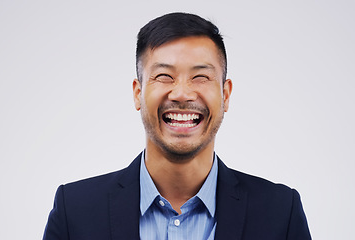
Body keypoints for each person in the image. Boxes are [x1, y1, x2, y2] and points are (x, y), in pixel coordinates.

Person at [43, 12, 311, 240]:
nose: (182, 94)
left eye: (200, 77)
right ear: (138, 93)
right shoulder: (75, 211)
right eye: (164, 76)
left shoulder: (280, 213)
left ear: (226, 95)